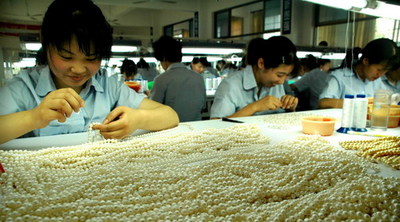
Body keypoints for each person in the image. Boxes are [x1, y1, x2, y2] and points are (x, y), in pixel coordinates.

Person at [0, 0, 178, 144]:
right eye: (66, 56)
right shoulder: (22, 89)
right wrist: (34, 117)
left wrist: (138, 119)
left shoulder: (109, 86)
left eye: (91, 58)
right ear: (45, 43)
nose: (78, 69)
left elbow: (170, 116)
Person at [210, 36, 300, 119]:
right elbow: (214, 125)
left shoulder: (276, 84)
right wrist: (254, 107)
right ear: (261, 63)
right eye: (279, 75)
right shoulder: (231, 85)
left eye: (286, 75)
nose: (281, 81)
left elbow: (279, 119)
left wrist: (289, 108)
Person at [319, 38, 398, 109]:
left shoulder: (377, 81)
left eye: (385, 71)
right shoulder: (340, 77)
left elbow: (385, 104)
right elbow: (323, 102)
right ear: (366, 61)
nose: (380, 75)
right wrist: (360, 104)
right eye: (379, 69)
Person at [150, 35, 206, 122]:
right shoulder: (199, 78)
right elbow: (202, 106)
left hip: (172, 131)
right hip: (195, 129)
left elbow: (152, 109)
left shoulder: (161, 79)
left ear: (163, 58)